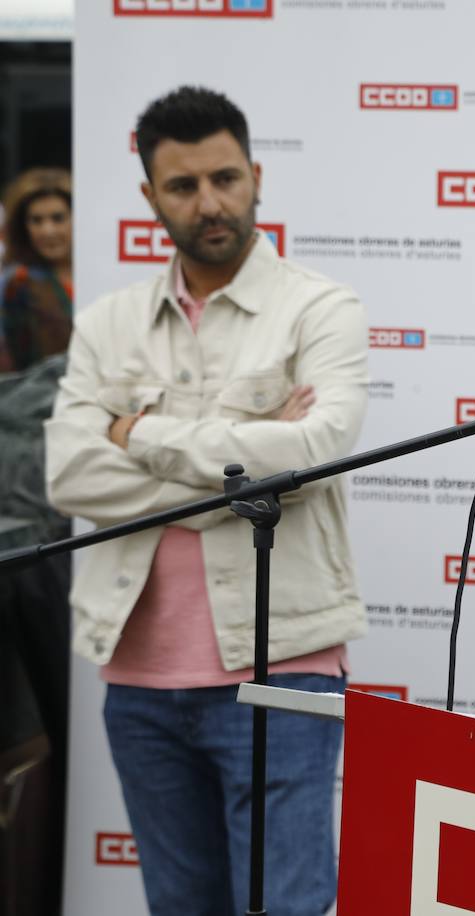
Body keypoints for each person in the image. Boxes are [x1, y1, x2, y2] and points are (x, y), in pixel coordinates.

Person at [44, 86, 369, 916]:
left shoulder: (319, 309)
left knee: (287, 907)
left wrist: (139, 433)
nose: (210, 202)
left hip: (280, 670)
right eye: (183, 186)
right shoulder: (108, 324)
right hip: (138, 678)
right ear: (150, 195)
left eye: (225, 178)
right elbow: (69, 478)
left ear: (257, 175)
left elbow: (313, 453)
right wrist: (240, 449)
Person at [0, 165, 74, 915]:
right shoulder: (20, 288)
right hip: (35, 479)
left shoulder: (103, 283)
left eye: (63, 215)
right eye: (40, 218)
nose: (51, 228)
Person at [1, 167, 74, 373]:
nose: (47, 230)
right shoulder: (18, 283)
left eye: (58, 218)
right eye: (36, 220)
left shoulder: (101, 271)